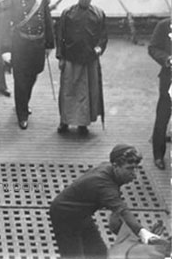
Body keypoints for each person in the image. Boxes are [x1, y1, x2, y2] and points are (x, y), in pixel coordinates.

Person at [49, 144, 161, 259]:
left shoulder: (109, 169)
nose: (134, 174)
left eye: (136, 168)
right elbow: (122, 210)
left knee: (99, 254)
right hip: (64, 215)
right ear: (116, 166)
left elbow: (116, 211)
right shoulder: (104, 185)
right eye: (129, 168)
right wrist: (142, 232)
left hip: (81, 214)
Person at [0, 0, 54, 129]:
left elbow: (48, 23)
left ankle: (24, 102)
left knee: (32, 77)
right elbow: (4, 27)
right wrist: (5, 50)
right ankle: (22, 113)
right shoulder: (12, 1)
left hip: (37, 46)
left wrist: (49, 45)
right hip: (20, 46)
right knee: (20, 80)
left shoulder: (42, 0)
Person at [56, 0, 107, 136]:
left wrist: (99, 47)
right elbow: (60, 36)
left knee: (88, 92)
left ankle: (83, 123)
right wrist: (60, 57)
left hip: (90, 60)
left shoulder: (98, 13)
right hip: (71, 59)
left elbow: (103, 35)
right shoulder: (67, 13)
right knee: (68, 91)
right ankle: (65, 121)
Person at [149, 18, 171, 170]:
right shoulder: (164, 26)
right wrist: (167, 59)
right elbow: (153, 48)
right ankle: (158, 155)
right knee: (163, 116)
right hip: (170, 79)